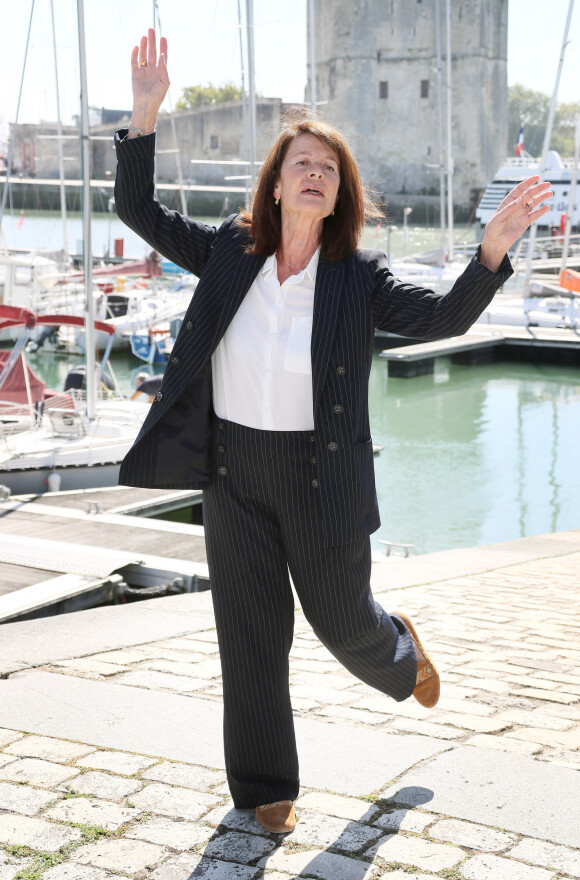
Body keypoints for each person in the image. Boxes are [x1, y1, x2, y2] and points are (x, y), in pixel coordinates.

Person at [114, 29, 552, 835]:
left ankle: (398, 647)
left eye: (328, 167)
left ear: (340, 190)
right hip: (233, 470)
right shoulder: (226, 253)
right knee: (249, 636)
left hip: (321, 476)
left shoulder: (359, 279)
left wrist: (490, 255)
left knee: (341, 622)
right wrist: (144, 116)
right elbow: (136, 208)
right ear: (275, 185)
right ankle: (265, 788)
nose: (314, 174)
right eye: (300, 164)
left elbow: (444, 317)